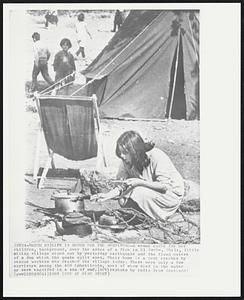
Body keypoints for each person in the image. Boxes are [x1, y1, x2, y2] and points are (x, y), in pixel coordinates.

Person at [97, 131, 185, 221]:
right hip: (147, 191)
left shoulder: (156, 156)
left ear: (135, 151)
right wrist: (107, 195)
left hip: (169, 195)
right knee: (123, 199)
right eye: (120, 152)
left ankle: (144, 216)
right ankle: (139, 215)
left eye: (125, 152)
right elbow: (121, 185)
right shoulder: (126, 161)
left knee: (137, 191)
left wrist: (139, 182)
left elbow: (164, 187)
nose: (122, 156)